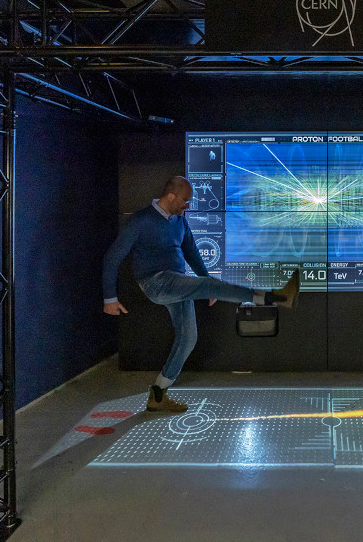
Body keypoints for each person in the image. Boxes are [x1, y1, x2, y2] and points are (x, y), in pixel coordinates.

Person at [103, 176, 299, 413]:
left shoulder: (179, 222)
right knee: (203, 293)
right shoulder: (141, 221)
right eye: (185, 200)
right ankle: (273, 298)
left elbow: (192, 253)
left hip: (178, 284)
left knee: (188, 338)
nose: (188, 205)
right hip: (155, 283)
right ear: (171, 196)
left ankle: (158, 394)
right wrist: (109, 298)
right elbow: (112, 258)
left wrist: (207, 284)